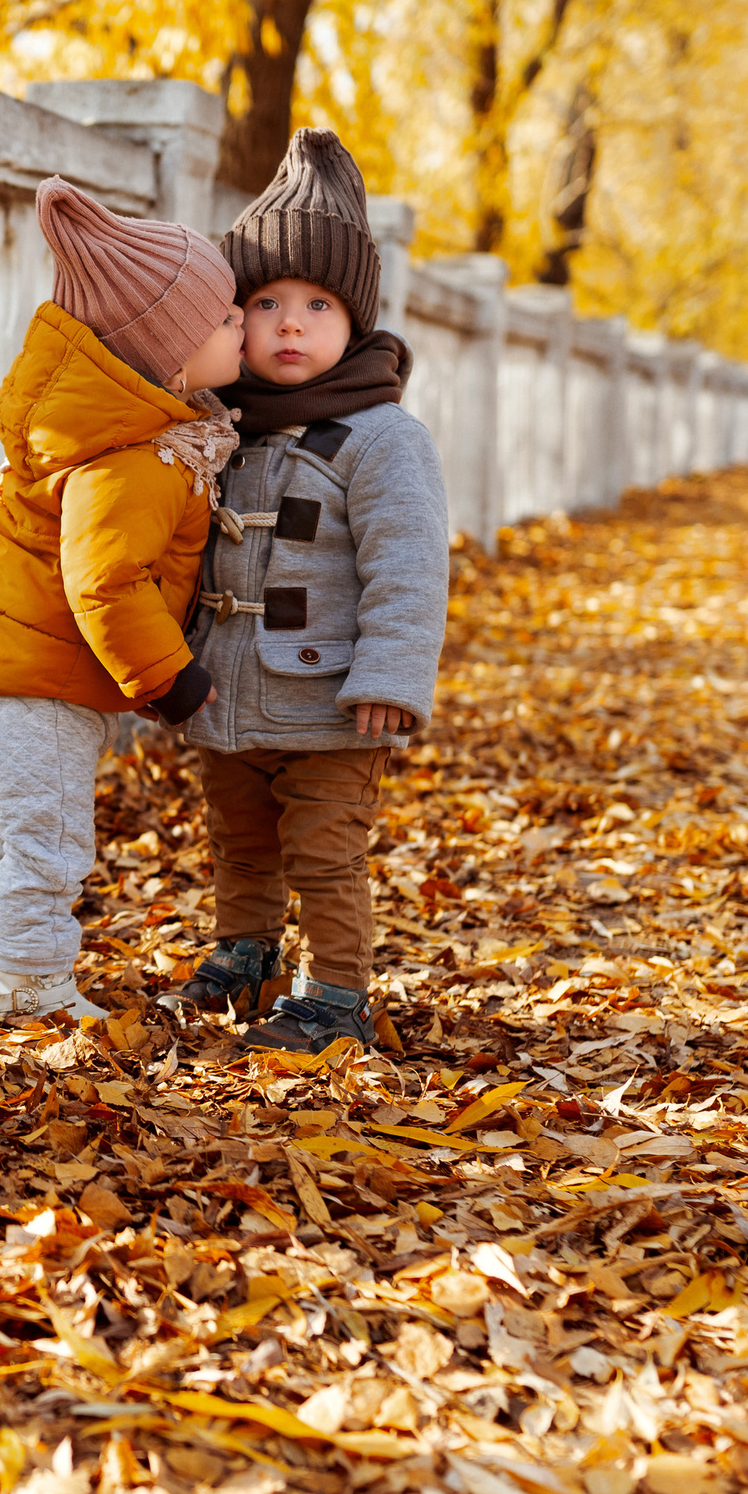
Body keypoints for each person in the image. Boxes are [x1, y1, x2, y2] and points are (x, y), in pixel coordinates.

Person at [159, 129, 450, 1054]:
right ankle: (246, 954)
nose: (290, 324)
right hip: (230, 691)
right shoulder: (223, 423)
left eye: (317, 304)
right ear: (234, 316)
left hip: (331, 702)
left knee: (326, 852)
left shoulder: (381, 438)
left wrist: (391, 676)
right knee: (239, 838)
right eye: (267, 302)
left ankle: (336, 995)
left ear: (354, 322)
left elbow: (409, 566)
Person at [0, 178, 244, 1023]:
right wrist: (170, 678)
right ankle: (33, 982)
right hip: (41, 689)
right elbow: (105, 581)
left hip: (5, 676)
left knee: (3, 822)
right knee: (52, 838)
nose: (243, 325)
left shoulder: (113, 433)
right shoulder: (132, 458)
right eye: (224, 319)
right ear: (173, 356)